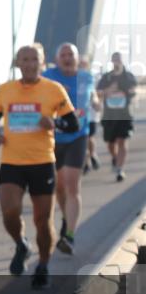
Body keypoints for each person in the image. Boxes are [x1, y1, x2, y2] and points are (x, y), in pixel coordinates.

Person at [0, 44, 79, 289]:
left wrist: (55, 124)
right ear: (18, 63)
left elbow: (73, 125)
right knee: (9, 212)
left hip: (42, 162)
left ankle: (43, 265)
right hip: (11, 162)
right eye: (24, 59)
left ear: (42, 62)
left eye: (34, 59)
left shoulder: (54, 89)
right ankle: (21, 243)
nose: (29, 64)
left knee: (42, 220)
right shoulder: (5, 90)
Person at [43, 44, 95, 255]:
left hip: (77, 136)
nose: (66, 58)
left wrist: (97, 103)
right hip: (54, 139)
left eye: (70, 54)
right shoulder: (49, 76)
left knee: (72, 185)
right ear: (57, 59)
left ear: (77, 58)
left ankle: (70, 236)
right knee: (59, 187)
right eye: (62, 55)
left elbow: (91, 97)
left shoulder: (86, 77)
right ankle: (66, 219)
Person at [97, 51, 137, 182]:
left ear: (122, 61)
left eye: (118, 59)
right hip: (109, 115)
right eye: (114, 59)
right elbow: (98, 92)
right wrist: (108, 90)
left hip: (124, 114)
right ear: (111, 61)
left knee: (122, 140)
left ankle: (120, 169)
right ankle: (115, 157)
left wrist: (124, 90)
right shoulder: (107, 77)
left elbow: (133, 90)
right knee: (110, 143)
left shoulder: (128, 76)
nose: (116, 62)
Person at [79, 59, 102, 174]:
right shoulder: (73, 80)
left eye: (83, 65)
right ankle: (87, 161)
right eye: (79, 65)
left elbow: (95, 95)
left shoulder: (91, 79)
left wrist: (97, 104)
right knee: (84, 139)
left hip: (91, 115)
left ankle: (92, 154)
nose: (81, 67)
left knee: (90, 138)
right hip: (78, 116)